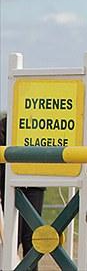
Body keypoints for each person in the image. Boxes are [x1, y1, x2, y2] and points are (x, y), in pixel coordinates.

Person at [0, 116, 46, 271]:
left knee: (32, 238)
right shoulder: (5, 124)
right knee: (11, 238)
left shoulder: (42, 123)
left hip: (34, 183)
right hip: (10, 184)